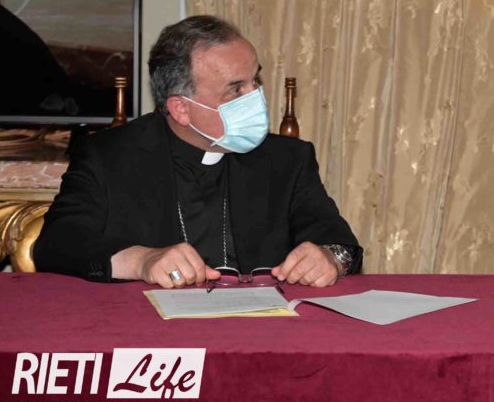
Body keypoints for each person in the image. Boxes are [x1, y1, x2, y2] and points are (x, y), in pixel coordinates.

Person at [34, 15, 361, 287]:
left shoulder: (287, 159)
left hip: (260, 329)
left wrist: (330, 258)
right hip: (148, 329)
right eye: (236, 89)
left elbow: (340, 242)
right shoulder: (108, 156)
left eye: (255, 81)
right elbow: (56, 243)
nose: (255, 98)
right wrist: (142, 261)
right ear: (181, 109)